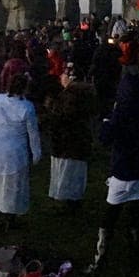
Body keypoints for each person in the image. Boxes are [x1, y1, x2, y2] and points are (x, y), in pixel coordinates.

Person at [85, 54, 139, 274]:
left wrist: (107, 121)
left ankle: (100, 260)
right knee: (137, 213)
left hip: (125, 169)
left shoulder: (121, 113)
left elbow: (104, 138)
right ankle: (135, 260)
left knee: (111, 214)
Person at [0, 73, 41, 231]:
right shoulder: (27, 107)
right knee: (11, 187)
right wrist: (36, 153)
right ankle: (9, 220)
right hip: (13, 153)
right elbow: (33, 133)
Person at [43, 72, 93, 213]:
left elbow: (61, 117)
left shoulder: (67, 99)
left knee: (68, 172)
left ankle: (67, 199)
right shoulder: (71, 99)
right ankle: (69, 199)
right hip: (71, 142)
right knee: (69, 172)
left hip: (68, 142)